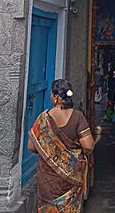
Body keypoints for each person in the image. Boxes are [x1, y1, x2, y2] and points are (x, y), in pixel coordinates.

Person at [28, 78, 95, 212]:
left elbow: (31, 146)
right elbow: (88, 146)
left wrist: (50, 151)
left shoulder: (43, 118)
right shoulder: (77, 117)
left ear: (56, 97)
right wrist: (72, 157)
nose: (51, 98)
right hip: (70, 179)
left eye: (52, 95)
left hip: (48, 179)